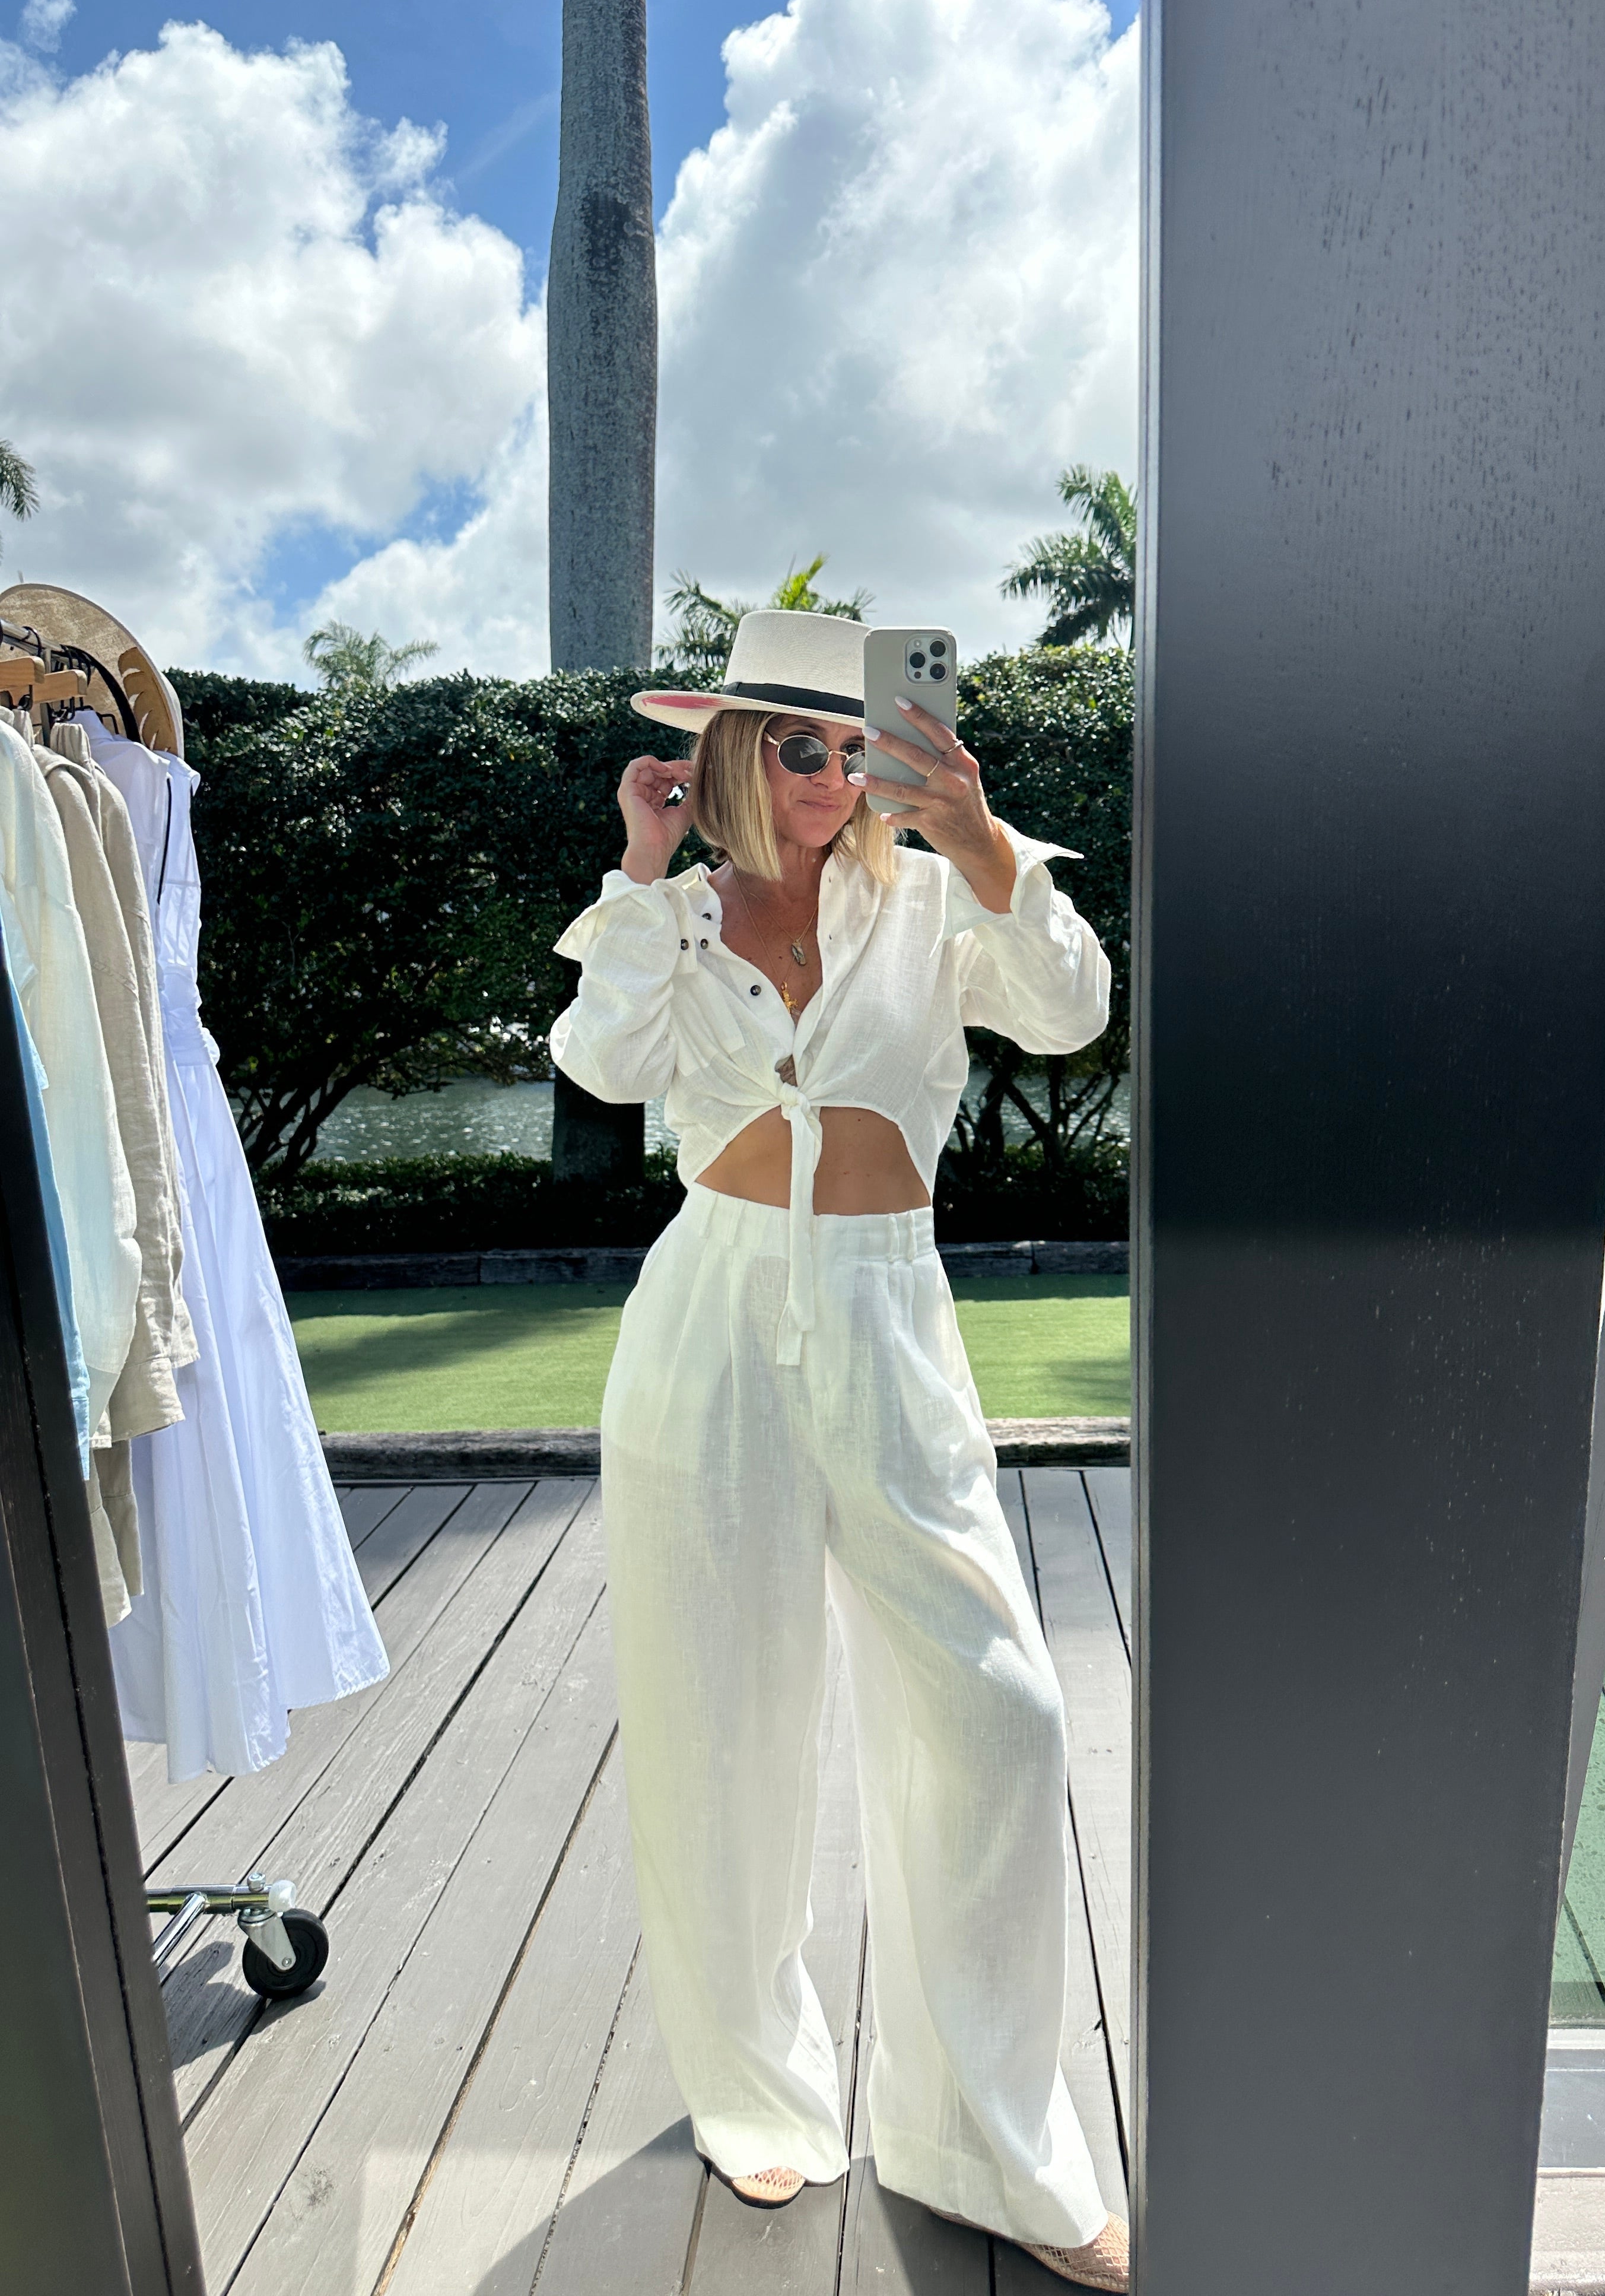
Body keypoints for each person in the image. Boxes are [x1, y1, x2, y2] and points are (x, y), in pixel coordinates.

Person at [550, 611, 1128, 2291]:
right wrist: (643, 869)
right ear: (736, 753)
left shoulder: (934, 896)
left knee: (1000, 1716)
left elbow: (1071, 1013)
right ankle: (756, 2093)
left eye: (852, 746)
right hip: (708, 1327)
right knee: (717, 1719)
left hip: (888, 1317)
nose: (829, 775)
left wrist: (980, 832)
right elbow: (604, 1062)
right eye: (797, 747)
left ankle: (989, 2146)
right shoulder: (678, 912)